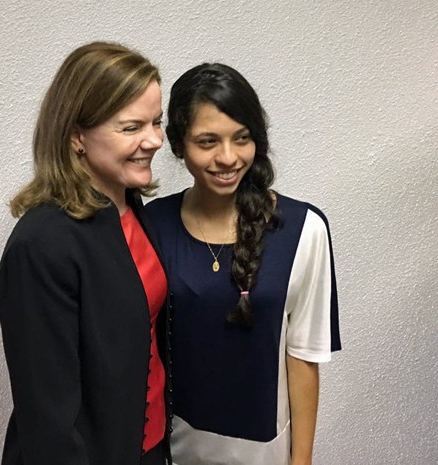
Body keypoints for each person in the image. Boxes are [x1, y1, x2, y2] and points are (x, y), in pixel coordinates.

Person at [145, 63, 341, 465]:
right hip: (174, 446)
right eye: (208, 141)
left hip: (265, 449)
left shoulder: (304, 230)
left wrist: (300, 461)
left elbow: (303, 358)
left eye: (242, 139)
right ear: (179, 146)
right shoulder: (152, 225)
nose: (228, 157)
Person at [0, 41, 172, 465]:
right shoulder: (42, 244)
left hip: (148, 445)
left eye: (157, 122)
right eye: (131, 128)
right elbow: (48, 422)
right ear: (77, 136)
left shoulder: (131, 209)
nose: (155, 141)